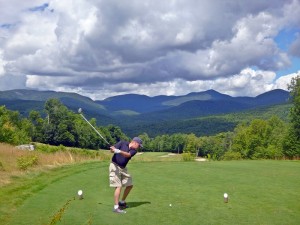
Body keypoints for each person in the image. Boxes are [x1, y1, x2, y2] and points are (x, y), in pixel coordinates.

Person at [109, 137, 143, 213]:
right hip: (114, 166)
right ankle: (116, 207)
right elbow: (112, 151)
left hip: (123, 168)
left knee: (130, 185)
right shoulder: (122, 143)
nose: (139, 147)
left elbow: (127, 155)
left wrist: (118, 151)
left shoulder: (134, 151)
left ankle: (122, 202)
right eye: (139, 145)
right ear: (135, 143)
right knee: (119, 186)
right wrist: (113, 149)